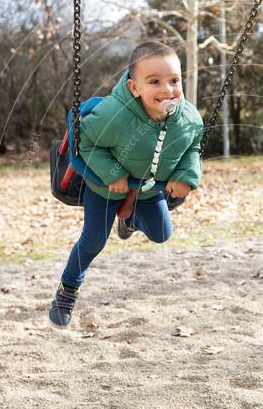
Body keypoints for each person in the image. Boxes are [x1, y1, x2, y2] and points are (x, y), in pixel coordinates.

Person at [49, 41, 203, 328]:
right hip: (105, 189)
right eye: (154, 82)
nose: (168, 90)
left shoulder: (188, 120)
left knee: (161, 234)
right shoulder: (114, 117)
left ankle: (130, 220)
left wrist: (187, 176)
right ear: (134, 88)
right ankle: (67, 291)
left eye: (174, 80)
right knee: (94, 240)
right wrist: (112, 173)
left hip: (147, 188)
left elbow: (193, 147)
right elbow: (84, 143)